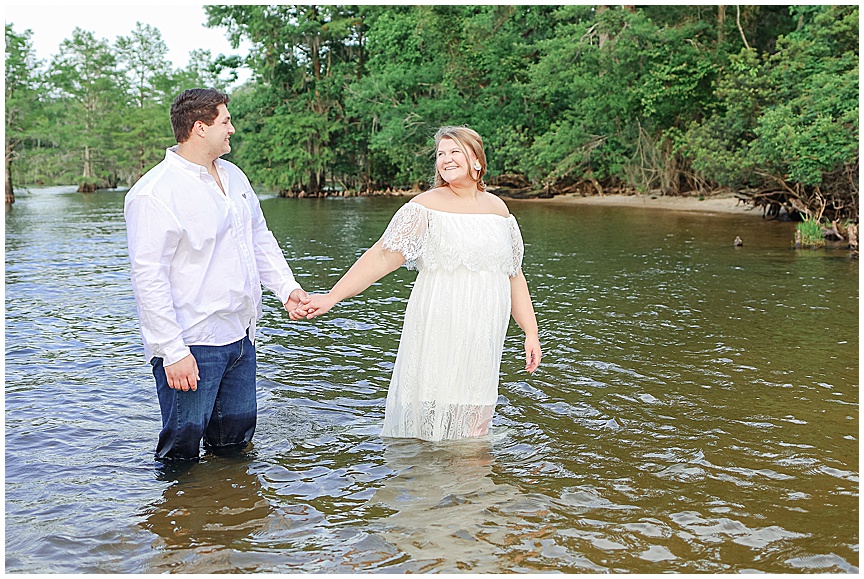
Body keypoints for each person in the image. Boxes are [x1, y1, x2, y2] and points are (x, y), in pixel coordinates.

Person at [292, 126, 541, 441]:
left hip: (483, 333)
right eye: (440, 154)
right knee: (436, 414)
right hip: (440, 325)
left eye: (455, 152)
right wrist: (331, 297)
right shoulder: (425, 206)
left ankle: (471, 484)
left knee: (477, 422)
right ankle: (430, 481)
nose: (446, 159)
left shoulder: (499, 211)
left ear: (477, 160)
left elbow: (514, 275)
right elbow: (382, 256)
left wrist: (530, 332)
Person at [124, 88, 310, 461]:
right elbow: (149, 279)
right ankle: (175, 516)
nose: (233, 129)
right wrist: (173, 352)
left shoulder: (235, 177)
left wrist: (286, 289)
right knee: (181, 453)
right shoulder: (154, 194)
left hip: (242, 336)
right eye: (225, 121)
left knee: (236, 446)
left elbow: (259, 237)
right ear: (199, 128)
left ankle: (233, 515)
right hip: (193, 343)